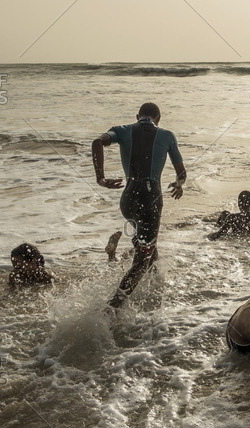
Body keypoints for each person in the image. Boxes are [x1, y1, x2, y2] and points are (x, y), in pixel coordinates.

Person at [91, 102, 186, 308]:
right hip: (150, 199)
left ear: (137, 116)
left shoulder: (122, 130)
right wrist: (179, 184)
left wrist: (101, 178)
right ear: (158, 119)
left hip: (127, 200)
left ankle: (153, 293)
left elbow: (97, 142)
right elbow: (182, 173)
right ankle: (112, 309)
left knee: (147, 248)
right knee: (143, 257)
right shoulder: (167, 135)